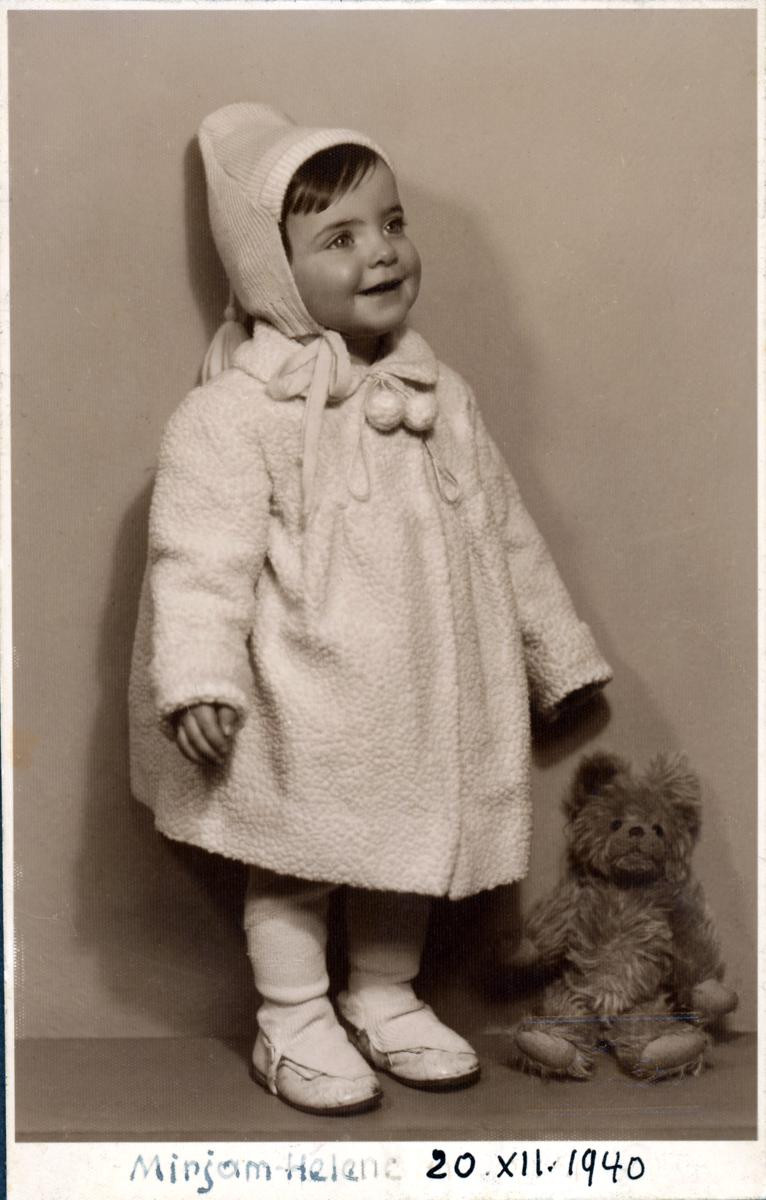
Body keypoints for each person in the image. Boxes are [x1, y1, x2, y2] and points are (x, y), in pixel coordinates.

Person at [128, 102, 612, 1117]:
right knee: (299, 862)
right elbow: (196, 557)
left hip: (425, 696)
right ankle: (292, 1016)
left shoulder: (443, 395)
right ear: (270, 268)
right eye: (338, 238)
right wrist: (201, 676)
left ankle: (384, 997)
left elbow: (505, 532)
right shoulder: (234, 414)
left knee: (405, 855)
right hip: (309, 690)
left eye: (391, 222)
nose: (382, 252)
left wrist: (556, 657)